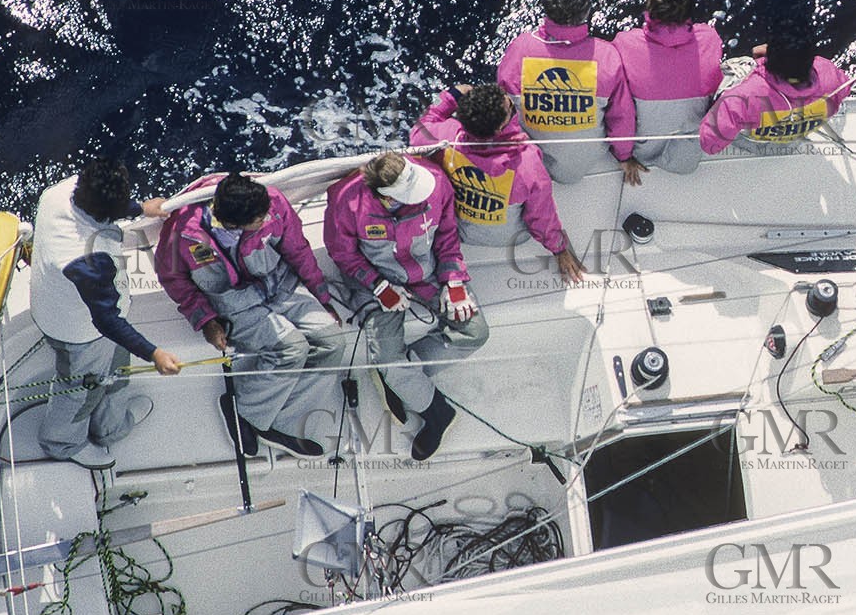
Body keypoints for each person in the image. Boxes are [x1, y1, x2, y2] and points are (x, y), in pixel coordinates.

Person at [155, 173, 346, 459]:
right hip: (235, 307)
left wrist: (322, 295)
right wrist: (205, 320)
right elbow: (173, 278)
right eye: (261, 218)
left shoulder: (272, 202)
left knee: (333, 340)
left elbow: (298, 251)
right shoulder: (184, 233)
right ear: (234, 222)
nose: (269, 216)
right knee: (292, 348)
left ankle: (279, 420)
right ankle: (244, 411)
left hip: (281, 288)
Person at [323, 152, 488, 460]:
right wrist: (379, 286)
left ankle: (401, 375)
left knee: (475, 332)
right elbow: (342, 253)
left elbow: (447, 235)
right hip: (374, 285)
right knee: (387, 358)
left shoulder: (435, 181)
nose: (420, 198)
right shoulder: (347, 201)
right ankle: (437, 412)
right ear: (384, 196)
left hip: (426, 274)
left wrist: (453, 280)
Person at [29, 159, 182, 469]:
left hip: (63, 305)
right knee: (81, 391)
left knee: (113, 371)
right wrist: (154, 353)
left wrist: (140, 208)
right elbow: (107, 320)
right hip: (80, 333)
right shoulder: (88, 259)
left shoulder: (62, 191)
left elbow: (100, 204)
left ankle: (109, 427)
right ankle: (62, 443)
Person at [410, 83, 585, 282]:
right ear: (501, 127)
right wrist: (559, 250)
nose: (511, 101)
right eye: (509, 105)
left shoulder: (447, 135)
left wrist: (453, 95)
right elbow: (541, 218)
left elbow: (417, 132)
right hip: (508, 237)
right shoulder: (527, 164)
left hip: (460, 230)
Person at [498, 0, 638, 185]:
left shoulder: (519, 50)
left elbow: (503, 115)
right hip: (589, 160)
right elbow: (622, 117)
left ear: (546, 10)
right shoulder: (606, 56)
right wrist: (624, 156)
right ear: (585, 13)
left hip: (534, 160)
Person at [612, 0, 723, 179]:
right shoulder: (711, 39)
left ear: (650, 8)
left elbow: (621, 112)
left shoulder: (623, 44)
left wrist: (624, 155)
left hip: (642, 153)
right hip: (686, 159)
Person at [699, 21, 855, 156]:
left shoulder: (741, 98)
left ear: (770, 61)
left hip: (755, 144)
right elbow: (845, 88)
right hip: (791, 142)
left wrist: (759, 64)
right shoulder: (830, 74)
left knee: (727, 82)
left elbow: (709, 145)